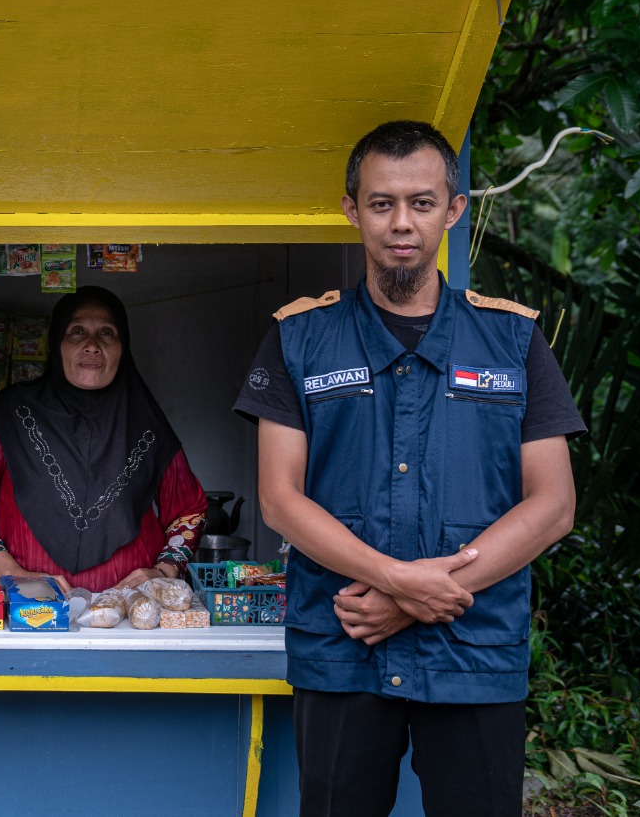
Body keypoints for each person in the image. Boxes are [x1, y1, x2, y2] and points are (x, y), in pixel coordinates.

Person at [234, 121, 585, 817]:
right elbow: (279, 498)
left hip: (473, 651)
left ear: (453, 210)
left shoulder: (512, 338)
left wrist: (414, 595)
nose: (402, 222)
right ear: (351, 210)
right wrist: (397, 580)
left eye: (422, 203)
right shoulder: (299, 338)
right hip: (344, 646)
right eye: (382, 203)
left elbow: (553, 505)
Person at [0, 286, 207, 594]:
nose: (92, 345)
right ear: (57, 343)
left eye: (106, 333)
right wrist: (13, 574)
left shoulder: (147, 424)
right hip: (30, 607)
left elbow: (189, 509)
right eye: (77, 332)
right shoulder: (11, 413)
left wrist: (164, 571)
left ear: (123, 347)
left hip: (133, 610)